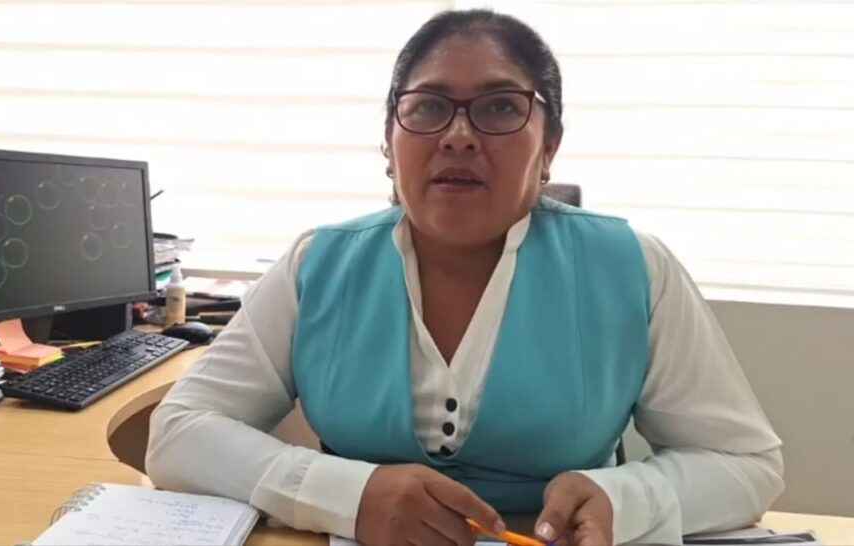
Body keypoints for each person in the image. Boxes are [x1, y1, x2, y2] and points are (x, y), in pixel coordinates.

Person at [146, 9, 783, 546]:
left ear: (550, 146)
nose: (457, 136)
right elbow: (178, 434)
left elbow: (746, 463)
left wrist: (628, 498)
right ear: (389, 143)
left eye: (500, 107)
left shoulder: (633, 267)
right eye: (427, 107)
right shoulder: (319, 264)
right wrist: (349, 496)